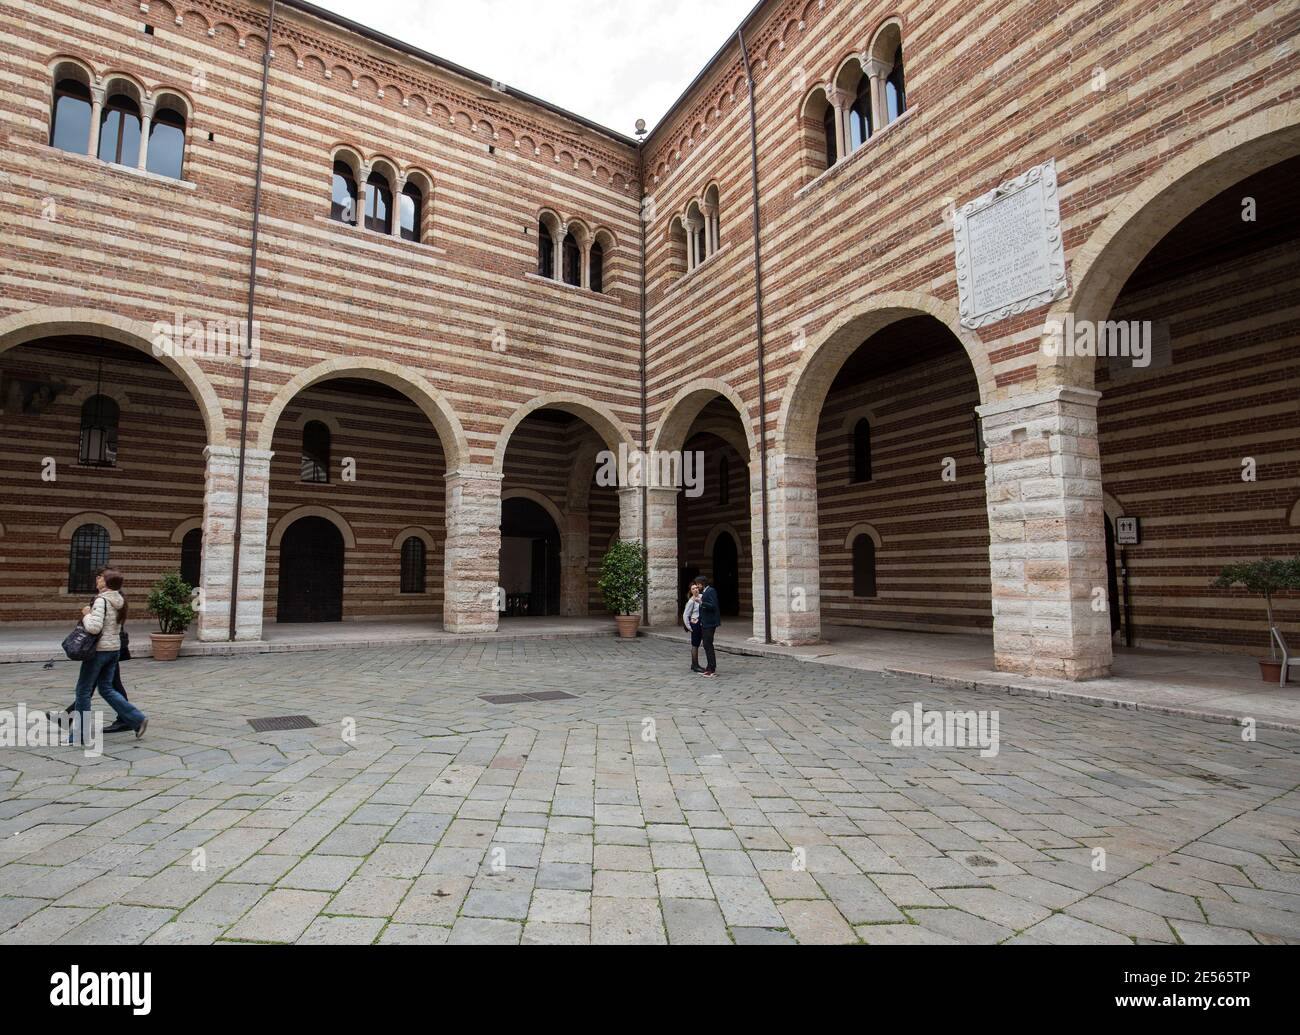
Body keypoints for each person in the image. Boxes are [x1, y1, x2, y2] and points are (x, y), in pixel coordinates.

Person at [72, 568, 148, 740]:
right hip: (113, 650)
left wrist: (86, 615)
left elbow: (94, 627)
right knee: (106, 688)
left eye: (101, 578)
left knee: (83, 691)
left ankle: (79, 734)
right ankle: (137, 718)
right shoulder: (119, 600)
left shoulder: (102, 601)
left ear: (106, 583)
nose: (98, 579)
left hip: (99, 651)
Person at [696, 575, 721, 677]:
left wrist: (701, 603)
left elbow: (713, 606)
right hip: (705, 622)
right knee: (706, 645)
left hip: (710, 623)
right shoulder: (705, 592)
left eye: (698, 584)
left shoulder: (711, 591)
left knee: (708, 644)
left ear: (702, 583)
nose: (697, 586)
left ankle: (711, 668)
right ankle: (709, 667)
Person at [682, 581, 704, 672]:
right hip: (695, 624)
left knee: (698, 644)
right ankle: (695, 665)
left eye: (696, 588)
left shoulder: (702, 597)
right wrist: (689, 627)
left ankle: (694, 664)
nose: (695, 590)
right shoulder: (691, 601)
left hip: (701, 623)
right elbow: (685, 615)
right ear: (691, 591)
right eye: (693, 589)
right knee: (695, 645)